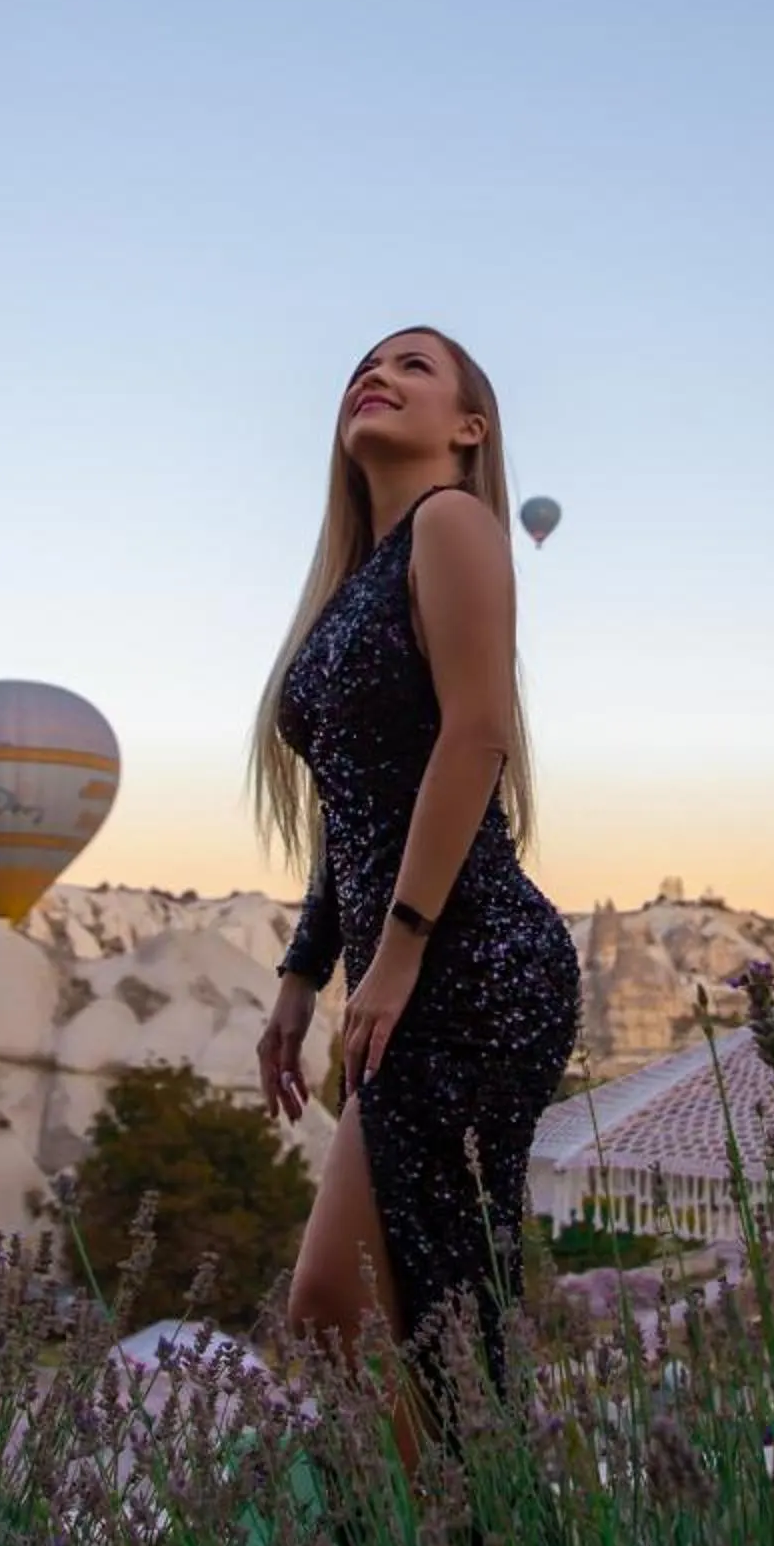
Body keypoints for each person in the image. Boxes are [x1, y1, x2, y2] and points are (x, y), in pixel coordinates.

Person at [252, 325, 580, 1472]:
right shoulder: (353, 587)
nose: (371, 376)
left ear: (466, 429)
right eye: (359, 366)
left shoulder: (453, 521)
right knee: (346, 1309)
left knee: (400, 1307)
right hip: (412, 958)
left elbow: (476, 736)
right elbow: (357, 811)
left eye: (411, 366)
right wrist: (301, 974)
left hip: (476, 958)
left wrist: (391, 955)